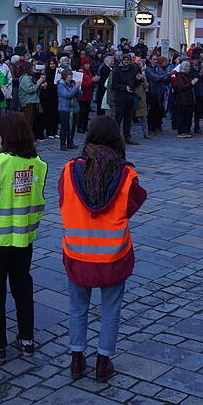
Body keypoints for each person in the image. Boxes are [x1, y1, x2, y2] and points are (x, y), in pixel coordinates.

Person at [59, 115, 146, 382]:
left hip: (77, 252)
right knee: (111, 309)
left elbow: (62, 201)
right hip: (113, 253)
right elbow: (132, 205)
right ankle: (103, 362)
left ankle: (76, 359)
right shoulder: (126, 174)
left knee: (78, 307)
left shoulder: (69, 170)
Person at [0, 113, 46, 360]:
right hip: (24, 239)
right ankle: (27, 339)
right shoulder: (39, 164)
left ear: (8, 135)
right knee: (23, 289)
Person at [110, 55, 142, 144]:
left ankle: (127, 136)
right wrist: (124, 87)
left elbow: (136, 83)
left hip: (130, 97)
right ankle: (115, 137)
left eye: (128, 60)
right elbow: (114, 85)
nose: (126, 61)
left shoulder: (133, 70)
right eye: (125, 60)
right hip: (120, 97)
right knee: (118, 118)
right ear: (122, 61)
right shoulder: (117, 70)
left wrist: (138, 79)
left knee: (128, 118)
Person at [57, 69, 82, 151]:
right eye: (69, 75)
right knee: (65, 127)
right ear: (65, 76)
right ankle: (62, 144)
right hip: (64, 109)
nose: (71, 76)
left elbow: (80, 94)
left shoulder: (73, 84)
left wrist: (77, 88)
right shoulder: (61, 85)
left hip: (74, 108)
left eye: (71, 74)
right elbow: (67, 95)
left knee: (73, 127)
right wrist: (75, 88)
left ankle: (70, 142)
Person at [172, 62, 196, 138]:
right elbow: (181, 87)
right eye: (188, 66)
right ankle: (181, 131)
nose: (189, 68)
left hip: (189, 99)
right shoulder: (180, 76)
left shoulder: (189, 75)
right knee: (182, 116)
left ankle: (187, 130)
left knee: (189, 116)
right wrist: (191, 83)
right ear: (184, 67)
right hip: (183, 99)